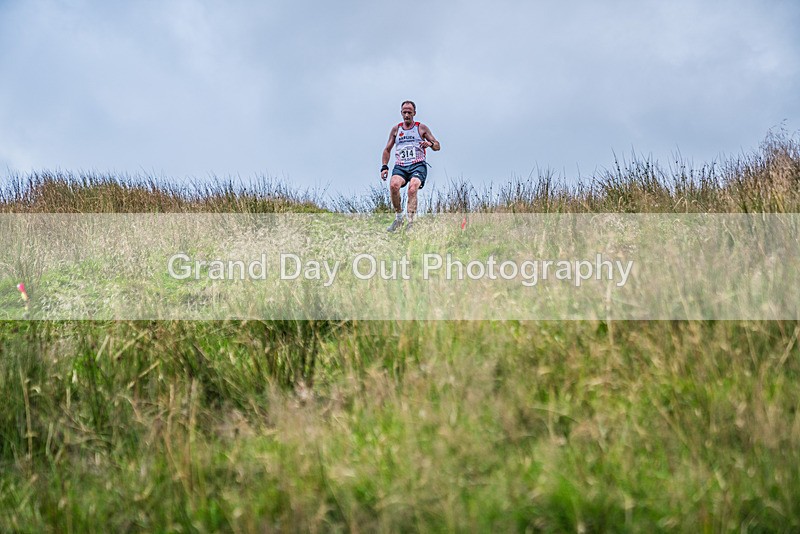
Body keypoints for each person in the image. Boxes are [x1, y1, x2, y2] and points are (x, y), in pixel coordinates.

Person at [380, 100, 440, 232]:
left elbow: (437, 146)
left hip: (417, 165)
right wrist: (384, 167)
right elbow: (387, 149)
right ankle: (399, 218)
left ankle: (411, 224)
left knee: (412, 189)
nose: (407, 115)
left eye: (409, 112)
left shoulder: (421, 128)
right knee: (393, 185)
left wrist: (430, 144)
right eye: (404, 112)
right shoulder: (396, 129)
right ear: (401, 113)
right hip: (401, 166)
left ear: (414, 113)